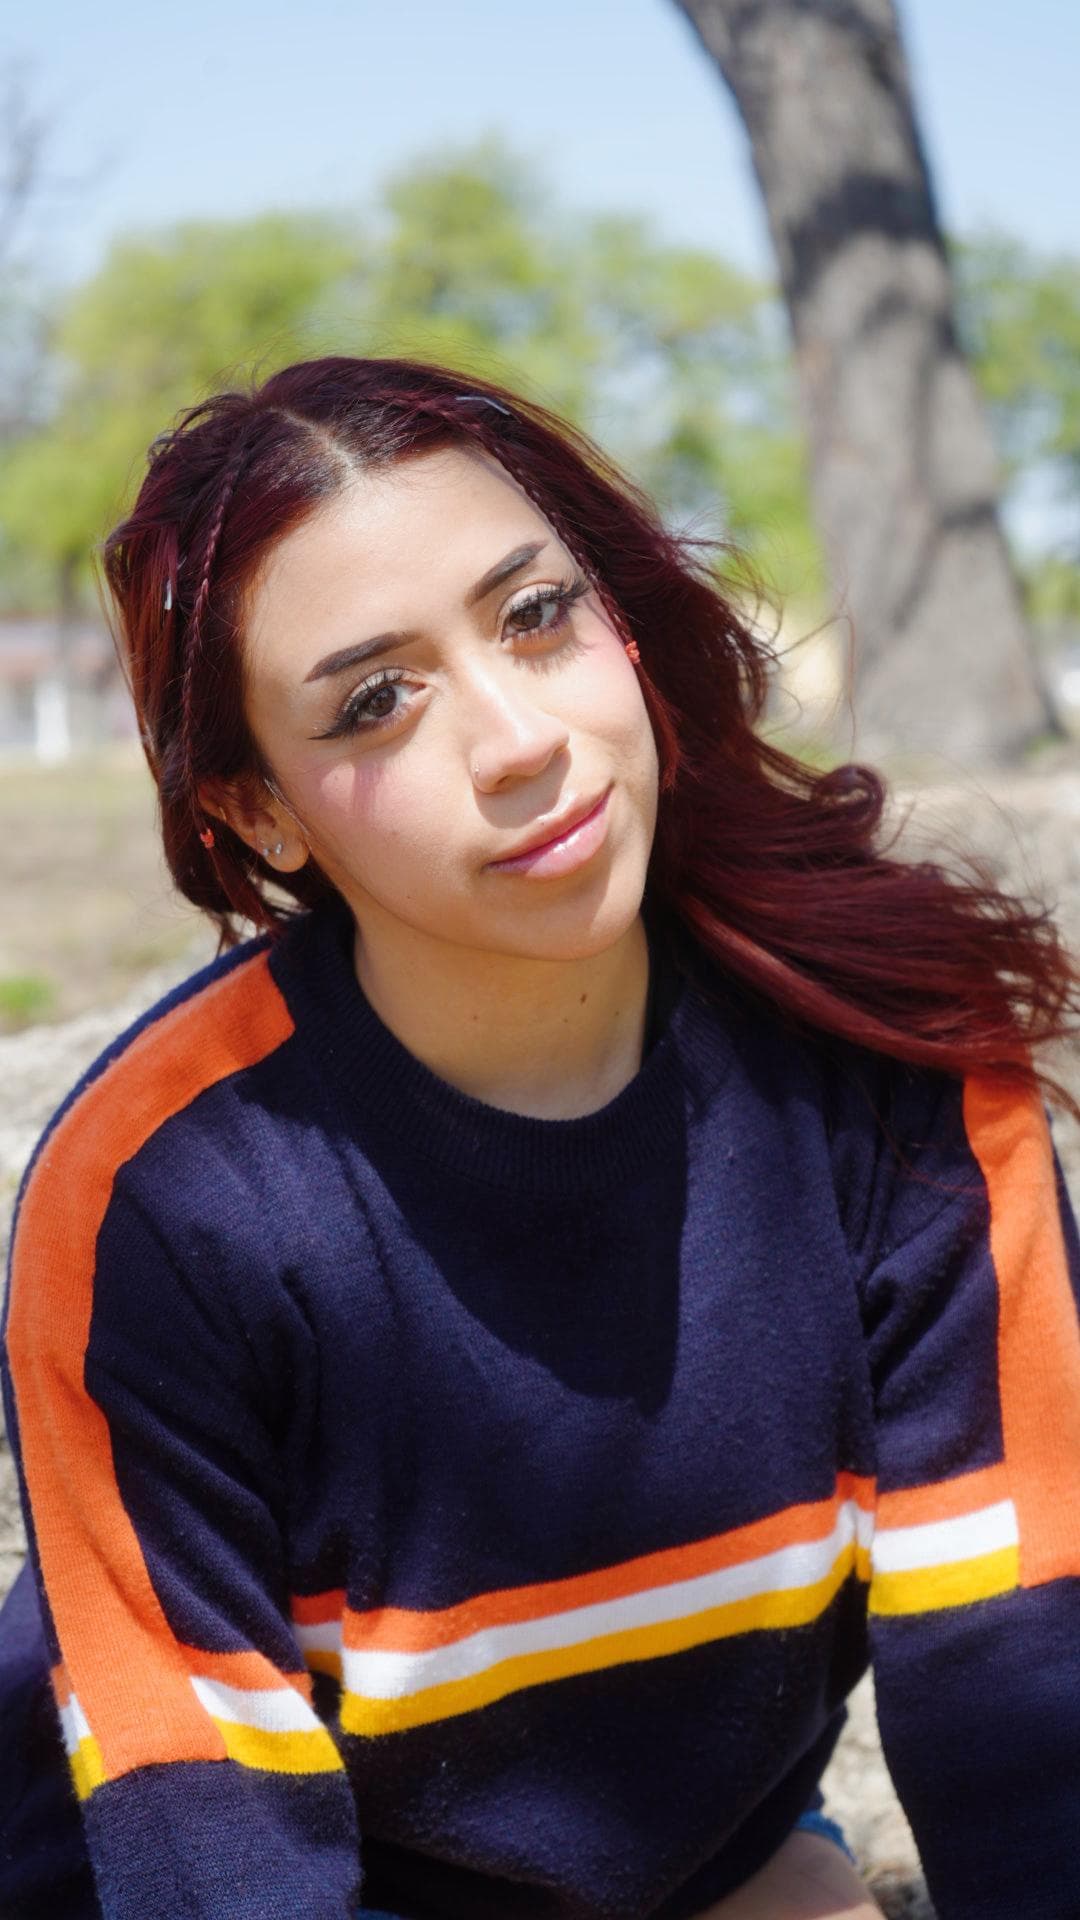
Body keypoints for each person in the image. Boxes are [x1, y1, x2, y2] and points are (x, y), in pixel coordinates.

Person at [1, 355, 1079, 1920]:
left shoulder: (896, 1055)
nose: (517, 742)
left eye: (535, 616)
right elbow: (214, 1862)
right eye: (376, 701)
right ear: (261, 816)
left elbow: (1021, 1697)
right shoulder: (161, 1201)